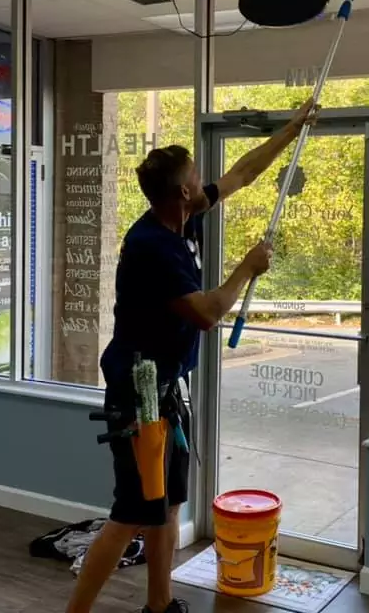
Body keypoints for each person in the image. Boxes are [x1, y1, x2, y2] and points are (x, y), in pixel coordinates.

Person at [65, 98, 317, 613]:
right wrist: (247, 268)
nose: (205, 182)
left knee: (169, 504)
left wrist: (292, 129)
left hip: (166, 389)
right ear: (182, 191)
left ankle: (160, 606)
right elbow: (205, 312)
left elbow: (243, 173)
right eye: (196, 177)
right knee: (133, 511)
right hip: (138, 399)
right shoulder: (151, 246)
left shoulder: (184, 215)